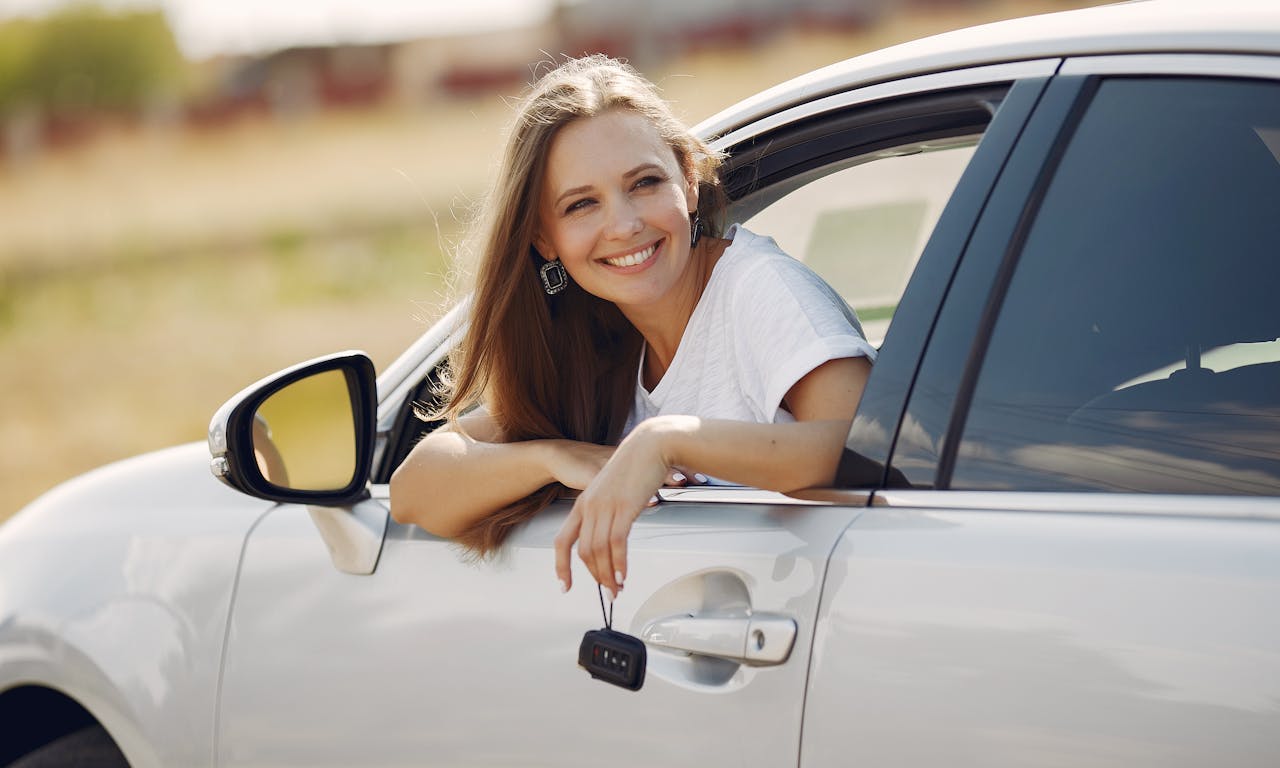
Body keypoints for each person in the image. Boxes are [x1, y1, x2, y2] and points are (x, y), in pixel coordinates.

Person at [390, 55, 875, 598]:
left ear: (688, 183)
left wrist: (666, 442)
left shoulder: (758, 288)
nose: (623, 224)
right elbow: (414, 490)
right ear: (543, 239)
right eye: (581, 205)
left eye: (644, 183)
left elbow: (872, 453)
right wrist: (556, 456)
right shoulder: (597, 341)